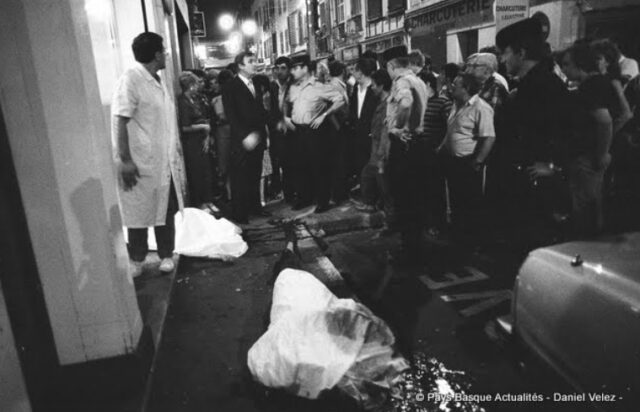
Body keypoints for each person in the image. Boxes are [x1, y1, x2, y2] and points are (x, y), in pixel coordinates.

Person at [111, 32, 185, 276]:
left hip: (162, 160)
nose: (165, 54)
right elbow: (120, 119)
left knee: (166, 210)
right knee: (139, 212)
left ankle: (166, 254)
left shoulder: (157, 79)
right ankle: (137, 258)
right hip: (141, 161)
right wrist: (125, 159)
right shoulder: (131, 79)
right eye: (163, 51)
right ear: (155, 54)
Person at [496, 17, 572, 246]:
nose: (502, 59)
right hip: (523, 185)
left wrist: (553, 166)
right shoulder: (529, 85)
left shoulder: (544, 85)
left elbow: (568, 131)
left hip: (537, 191)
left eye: (505, 52)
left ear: (521, 52)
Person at [561, 44, 617, 237]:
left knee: (586, 207)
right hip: (591, 154)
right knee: (593, 204)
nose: (564, 69)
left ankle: (587, 247)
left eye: (567, 64)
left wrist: (602, 153)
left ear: (580, 63)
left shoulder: (590, 87)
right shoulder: (601, 83)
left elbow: (604, 120)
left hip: (587, 156)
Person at [383, 45, 429, 264]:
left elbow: (406, 103)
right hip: (418, 144)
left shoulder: (401, 81)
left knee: (403, 197)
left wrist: (398, 127)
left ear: (392, 66)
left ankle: (408, 249)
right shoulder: (417, 79)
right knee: (415, 197)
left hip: (404, 145)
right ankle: (415, 244)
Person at [438, 74, 495, 243]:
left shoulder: (480, 108)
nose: (450, 87)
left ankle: (470, 242)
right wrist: (442, 148)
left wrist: (478, 161)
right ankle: (458, 236)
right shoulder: (457, 105)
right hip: (452, 161)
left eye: (455, 85)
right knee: (456, 202)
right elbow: (452, 130)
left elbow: (489, 137)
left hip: (467, 162)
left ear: (466, 89)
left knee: (469, 203)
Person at [287, 54, 347, 213]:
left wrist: (324, 115)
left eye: (295, 68)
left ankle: (322, 201)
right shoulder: (294, 87)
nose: (291, 71)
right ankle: (304, 198)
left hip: (314, 131)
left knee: (319, 167)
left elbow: (340, 99)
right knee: (300, 166)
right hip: (297, 131)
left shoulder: (319, 86)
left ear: (305, 68)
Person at [222, 51, 269, 224]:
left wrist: (272, 124)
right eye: (251, 61)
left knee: (255, 174)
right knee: (240, 178)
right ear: (240, 65)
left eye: (255, 60)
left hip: (257, 138)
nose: (255, 64)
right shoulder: (230, 86)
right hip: (242, 141)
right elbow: (231, 116)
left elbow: (260, 111)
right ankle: (240, 213)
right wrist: (244, 136)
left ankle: (255, 207)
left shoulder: (255, 84)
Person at [421, 67, 456, 236]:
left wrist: (441, 146)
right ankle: (429, 222)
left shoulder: (443, 102)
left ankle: (439, 224)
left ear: (427, 84)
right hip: (423, 152)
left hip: (437, 153)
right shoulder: (421, 103)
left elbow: (451, 127)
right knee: (425, 189)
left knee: (437, 190)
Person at [359, 69, 394, 224]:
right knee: (368, 178)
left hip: (382, 153)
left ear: (381, 86)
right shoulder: (381, 103)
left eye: (373, 84)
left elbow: (385, 132)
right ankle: (376, 208)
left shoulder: (388, 105)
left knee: (386, 189)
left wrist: (381, 157)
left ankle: (391, 221)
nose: (371, 87)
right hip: (375, 151)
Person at [177, 71, 215, 211]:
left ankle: (208, 200)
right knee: (197, 172)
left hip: (201, 139)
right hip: (192, 142)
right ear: (190, 86)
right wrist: (203, 126)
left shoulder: (195, 99)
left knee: (206, 171)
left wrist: (206, 134)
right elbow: (185, 127)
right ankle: (201, 202)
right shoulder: (183, 102)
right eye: (195, 84)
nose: (198, 87)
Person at [349, 57, 379, 193]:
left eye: (354, 70)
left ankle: (373, 197)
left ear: (360, 72)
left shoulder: (374, 89)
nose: (352, 73)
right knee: (360, 164)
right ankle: (365, 194)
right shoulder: (355, 89)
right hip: (357, 134)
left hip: (371, 134)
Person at [271, 56, 297, 204]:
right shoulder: (272, 87)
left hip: (293, 130)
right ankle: (288, 195)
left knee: (295, 163)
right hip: (278, 132)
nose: (280, 71)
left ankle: (295, 192)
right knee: (283, 164)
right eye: (277, 68)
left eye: (283, 68)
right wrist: (278, 121)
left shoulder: (294, 85)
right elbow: (269, 109)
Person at [211, 69, 234, 201]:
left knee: (228, 167)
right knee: (226, 166)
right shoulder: (218, 100)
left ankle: (231, 195)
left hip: (227, 135)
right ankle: (230, 195)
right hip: (224, 135)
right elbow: (221, 117)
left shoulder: (218, 99)